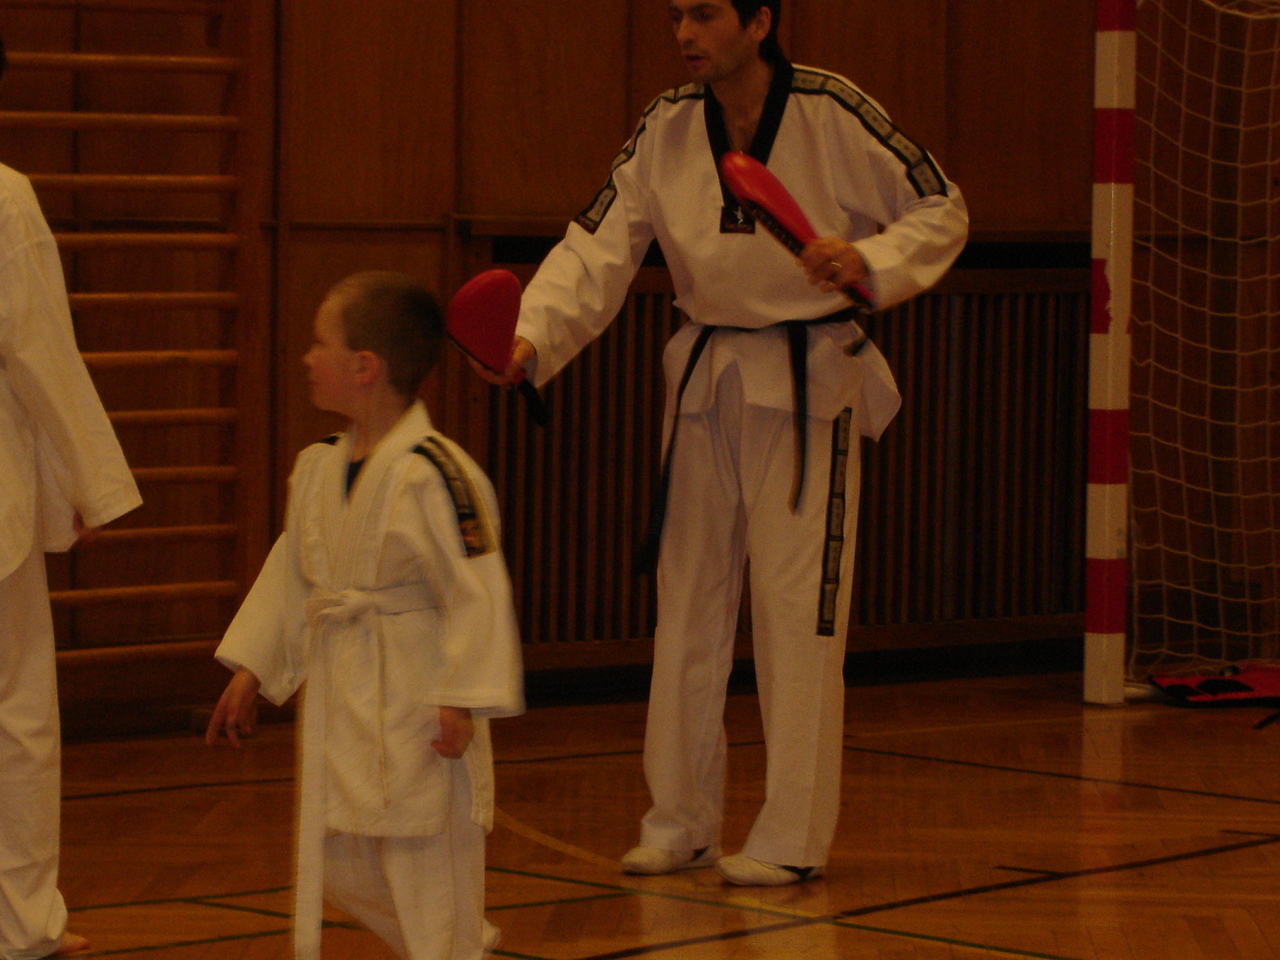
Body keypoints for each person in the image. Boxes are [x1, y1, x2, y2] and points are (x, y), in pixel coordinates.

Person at [477, 0, 968, 886]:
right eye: (676, 17)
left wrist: (867, 260)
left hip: (808, 381)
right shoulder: (666, 127)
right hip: (706, 382)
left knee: (795, 613)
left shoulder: (830, 109)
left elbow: (942, 209)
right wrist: (530, 338)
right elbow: (596, 247)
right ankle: (681, 821)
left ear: (760, 20)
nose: (684, 35)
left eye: (703, 14)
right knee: (687, 609)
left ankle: (791, 838)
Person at [205, 272, 525, 960]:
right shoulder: (316, 467)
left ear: (365, 367)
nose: (306, 357)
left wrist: (461, 696)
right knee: (342, 865)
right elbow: (296, 570)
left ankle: (452, 947)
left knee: (426, 871)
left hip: (419, 701)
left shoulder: (438, 473)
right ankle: (459, 948)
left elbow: (478, 588)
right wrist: (254, 667)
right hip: (343, 700)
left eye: (320, 344)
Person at [0, 34, 143, 960]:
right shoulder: (3, 196)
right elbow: (38, 349)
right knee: (16, 714)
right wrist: (85, 484)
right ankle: (20, 925)